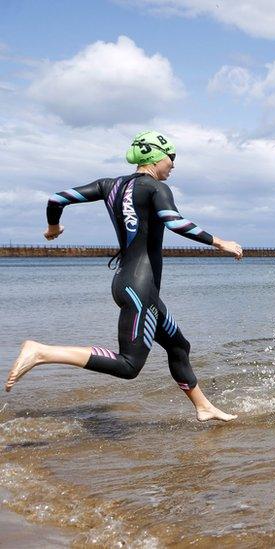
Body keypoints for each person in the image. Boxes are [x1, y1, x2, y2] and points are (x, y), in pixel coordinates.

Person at [5, 131, 242, 422]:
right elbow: (174, 221)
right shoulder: (155, 188)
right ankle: (42, 352)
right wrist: (220, 242)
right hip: (140, 289)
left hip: (131, 284)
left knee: (179, 346)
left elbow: (58, 198)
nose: (173, 165)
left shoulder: (110, 185)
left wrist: (53, 228)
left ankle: (203, 407)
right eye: (172, 157)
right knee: (129, 365)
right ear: (155, 157)